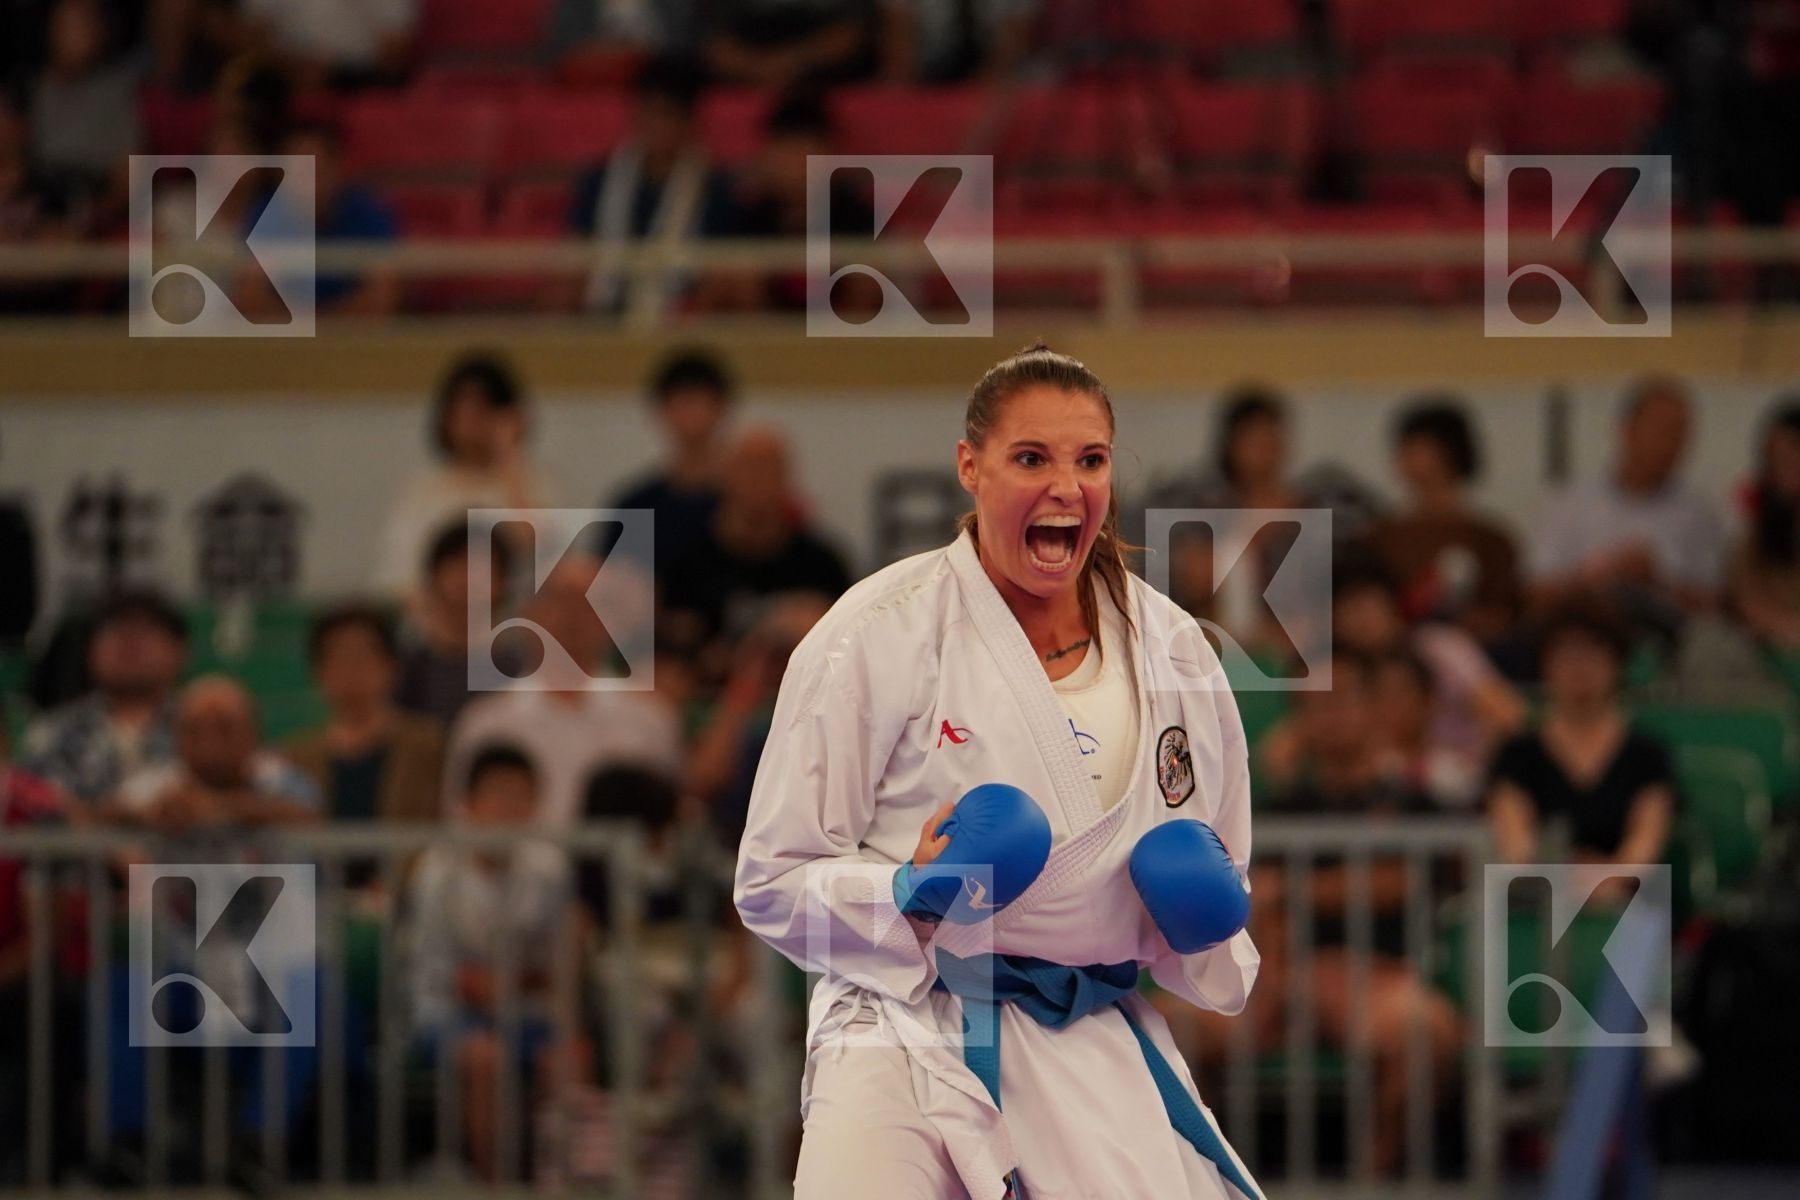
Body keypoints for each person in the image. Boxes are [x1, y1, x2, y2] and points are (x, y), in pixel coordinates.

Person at [735, 345, 1264, 1199]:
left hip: (1086, 1026)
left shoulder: (1173, 652)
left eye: (1090, 460)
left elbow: (1216, 901)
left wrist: (1202, 916)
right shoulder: (876, 633)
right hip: (900, 1027)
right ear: (969, 469)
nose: (1066, 487)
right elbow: (769, 883)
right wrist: (908, 889)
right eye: (1032, 458)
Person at [1174, 647, 1462, 1178]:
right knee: (1172, 1024)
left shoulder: (1413, 797)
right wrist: (1279, 956)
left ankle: (1372, 1179)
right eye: (1311, 703)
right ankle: (1213, 1179)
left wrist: (1296, 890)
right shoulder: (1277, 804)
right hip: (1281, 976)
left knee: (1426, 1032)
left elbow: (1400, 880)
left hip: (1377, 977)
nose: (1327, 714)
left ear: (1378, 708)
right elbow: (1251, 896)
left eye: (1342, 699)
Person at [405, 745, 579, 1183]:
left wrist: (521, 985)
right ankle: (495, 1185)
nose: (508, 809)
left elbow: (556, 967)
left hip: (525, 1007)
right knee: (486, 1057)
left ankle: (562, 1184)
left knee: (570, 1056)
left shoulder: (549, 869)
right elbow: (446, 974)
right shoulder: (436, 872)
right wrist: (492, 985)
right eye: (497, 796)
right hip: (444, 1009)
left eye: (522, 798)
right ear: (469, 804)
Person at [444, 551, 682, 825]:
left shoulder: (650, 719)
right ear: (528, 612)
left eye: (592, 601)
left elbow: (667, 825)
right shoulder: (486, 723)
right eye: (560, 598)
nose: (574, 615)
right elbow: (460, 825)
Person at [1486, 598, 1678, 876]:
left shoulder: (1647, 754)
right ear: (1545, 663)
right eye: (1565, 655)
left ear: (1616, 661)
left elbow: (1645, 844)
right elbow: (1515, 843)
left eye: (1592, 653)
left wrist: (1608, 878)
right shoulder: (1518, 755)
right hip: (1543, 897)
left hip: (1629, 898)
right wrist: (1562, 879)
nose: (1579, 668)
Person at [1530, 376, 1725, 644]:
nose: (1673, 445)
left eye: (1682, 434)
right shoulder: (1569, 503)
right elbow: (1536, 594)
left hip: (1670, 642)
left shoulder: (1698, 513)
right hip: (1584, 638)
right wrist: (1597, 576)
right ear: (1626, 429)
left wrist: (1657, 581)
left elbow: (1713, 605)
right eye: (1663, 430)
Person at [660, 426, 852, 681]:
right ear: (725, 475)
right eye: (748, 467)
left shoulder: (822, 564)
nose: (758, 479)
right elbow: (669, 649)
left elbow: (850, 648)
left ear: (787, 477)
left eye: (769, 469)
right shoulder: (687, 564)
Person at [370, 352, 558, 602]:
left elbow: (538, 554)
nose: (471, 419)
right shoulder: (422, 491)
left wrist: (508, 456)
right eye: (461, 407)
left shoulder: (533, 486)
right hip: (435, 623)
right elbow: (398, 576)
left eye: (484, 408)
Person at [566, 57, 738, 314]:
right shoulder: (599, 179)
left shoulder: (715, 186)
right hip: (605, 309)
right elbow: (578, 251)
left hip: (682, 316)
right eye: (647, 111)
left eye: (666, 114)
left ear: (689, 122)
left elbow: (719, 268)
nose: (654, 124)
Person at [1364, 397, 1522, 648]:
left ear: (1448, 451)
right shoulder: (1380, 537)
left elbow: (1507, 614)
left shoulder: (1491, 539)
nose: (1402, 458)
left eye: (1414, 447)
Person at [285, 602, 445, 827]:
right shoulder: (297, 756)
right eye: (338, 657)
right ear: (319, 671)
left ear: (390, 665)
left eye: (362, 655)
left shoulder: (428, 744)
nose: (351, 669)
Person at [20, 588, 186, 803]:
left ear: (180, 650)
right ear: (91, 650)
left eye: (146, 630)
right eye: (116, 630)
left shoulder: (210, 727)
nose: (130, 642)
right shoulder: (51, 733)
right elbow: (31, 813)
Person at [111, 674, 321, 829]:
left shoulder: (280, 779)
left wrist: (218, 807)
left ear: (253, 735)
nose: (208, 745)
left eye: (225, 729)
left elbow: (308, 813)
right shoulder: (159, 783)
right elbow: (106, 812)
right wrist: (150, 812)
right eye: (193, 731)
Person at [237, 120, 400, 320]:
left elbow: (383, 296)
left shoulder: (369, 213)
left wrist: (323, 330)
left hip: (352, 341)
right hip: (283, 343)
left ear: (336, 168)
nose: (305, 181)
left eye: (315, 169)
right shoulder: (264, 215)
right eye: (295, 170)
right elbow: (251, 298)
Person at [601, 348, 736, 581]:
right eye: (684, 402)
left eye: (703, 402)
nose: (694, 415)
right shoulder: (635, 508)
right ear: (663, 410)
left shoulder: (745, 503)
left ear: (722, 407)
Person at [393, 524, 517, 728]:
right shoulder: (404, 670)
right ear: (433, 577)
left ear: (503, 582)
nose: (468, 579)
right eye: (458, 565)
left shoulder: (521, 668)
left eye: (480, 568)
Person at [28, 0, 138, 205]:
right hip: (40, 198)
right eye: (70, 25)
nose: (78, 35)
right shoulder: (30, 89)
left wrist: (97, 215)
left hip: (95, 199)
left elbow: (130, 173)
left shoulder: (117, 92)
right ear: (51, 29)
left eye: (86, 23)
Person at [1728, 398, 1800, 650]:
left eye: (1794, 454)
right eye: (1776, 457)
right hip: (1773, 652)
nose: (1785, 467)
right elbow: (1749, 605)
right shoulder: (1755, 536)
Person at [241, 0, 417, 90]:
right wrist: (290, 66)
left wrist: (333, 69)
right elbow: (252, 36)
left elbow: (393, 57)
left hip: (357, 77)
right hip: (283, 72)